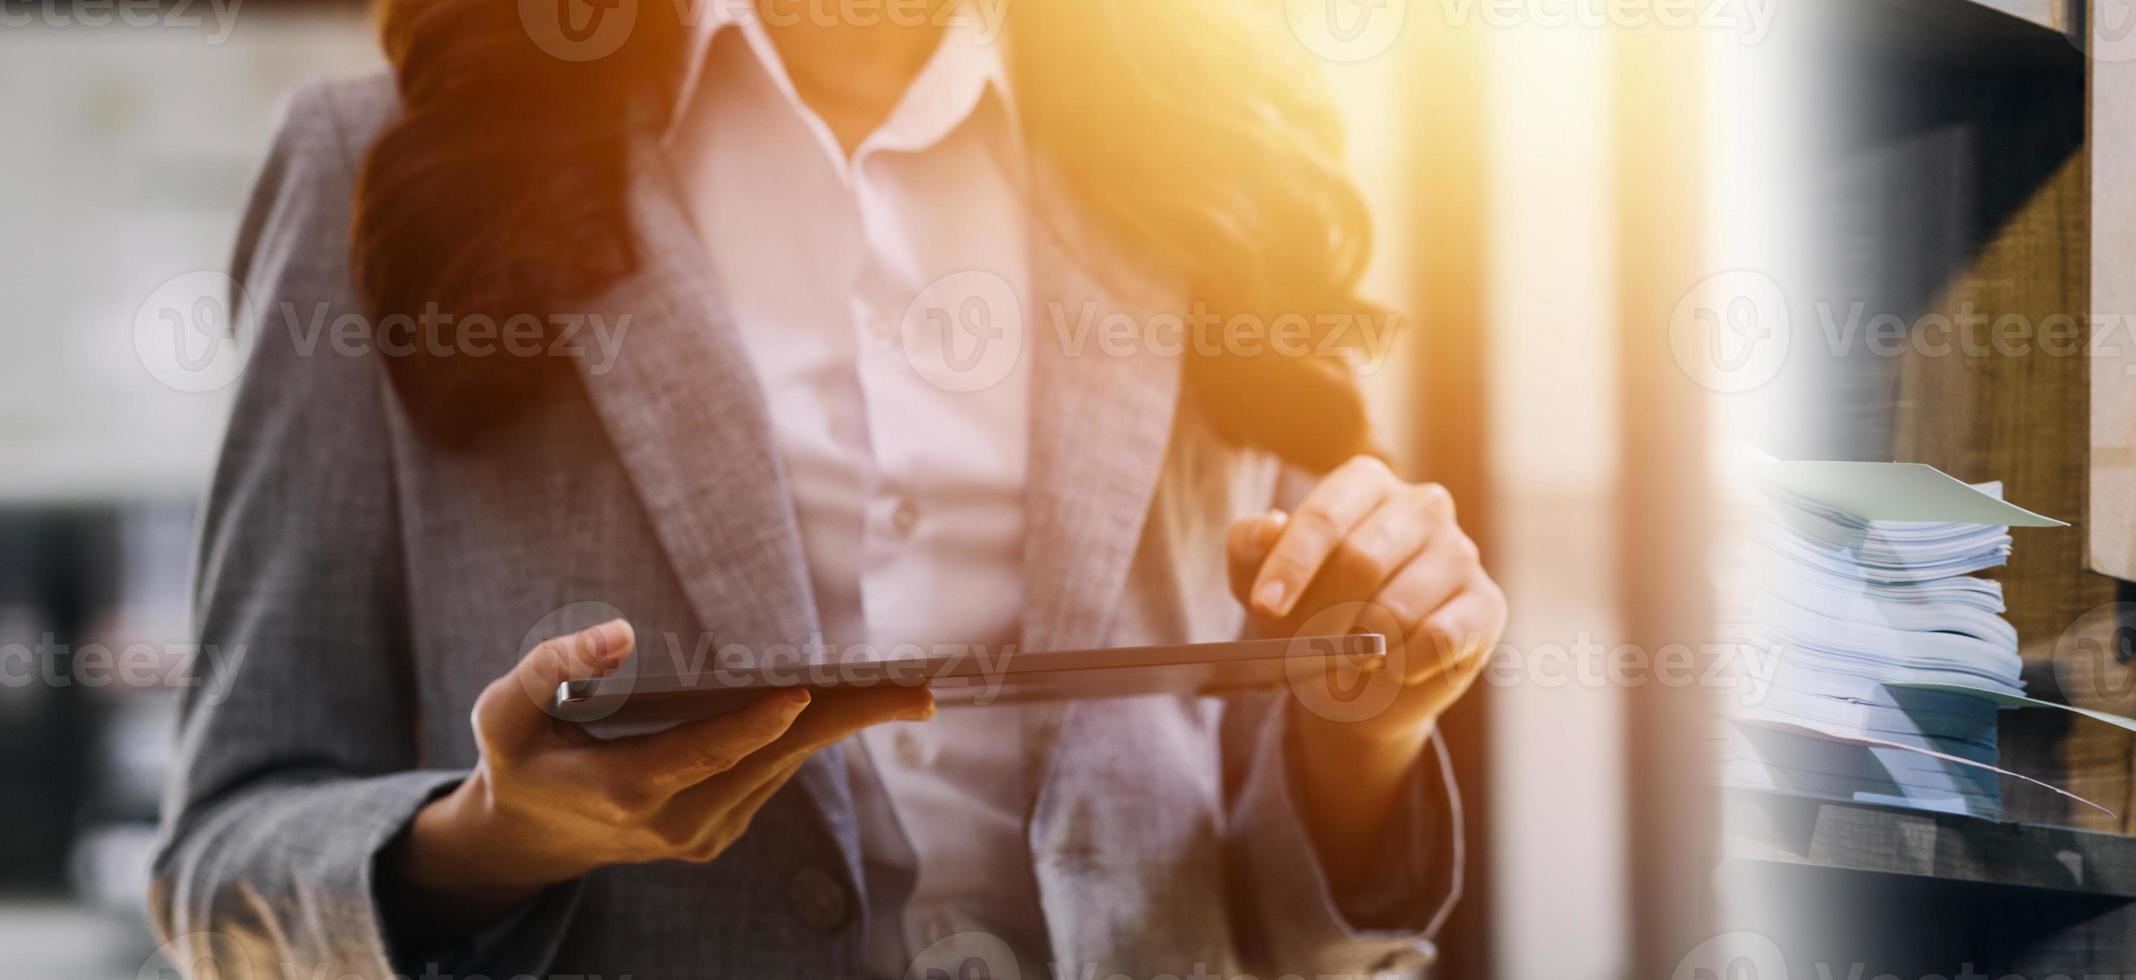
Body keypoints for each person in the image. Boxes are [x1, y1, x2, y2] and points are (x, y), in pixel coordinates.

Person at [147, 1, 1504, 977]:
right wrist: (500, 841)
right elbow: (222, 875)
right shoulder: (375, 162)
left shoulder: (1214, 153)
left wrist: (1361, 735)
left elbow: (1288, 923)